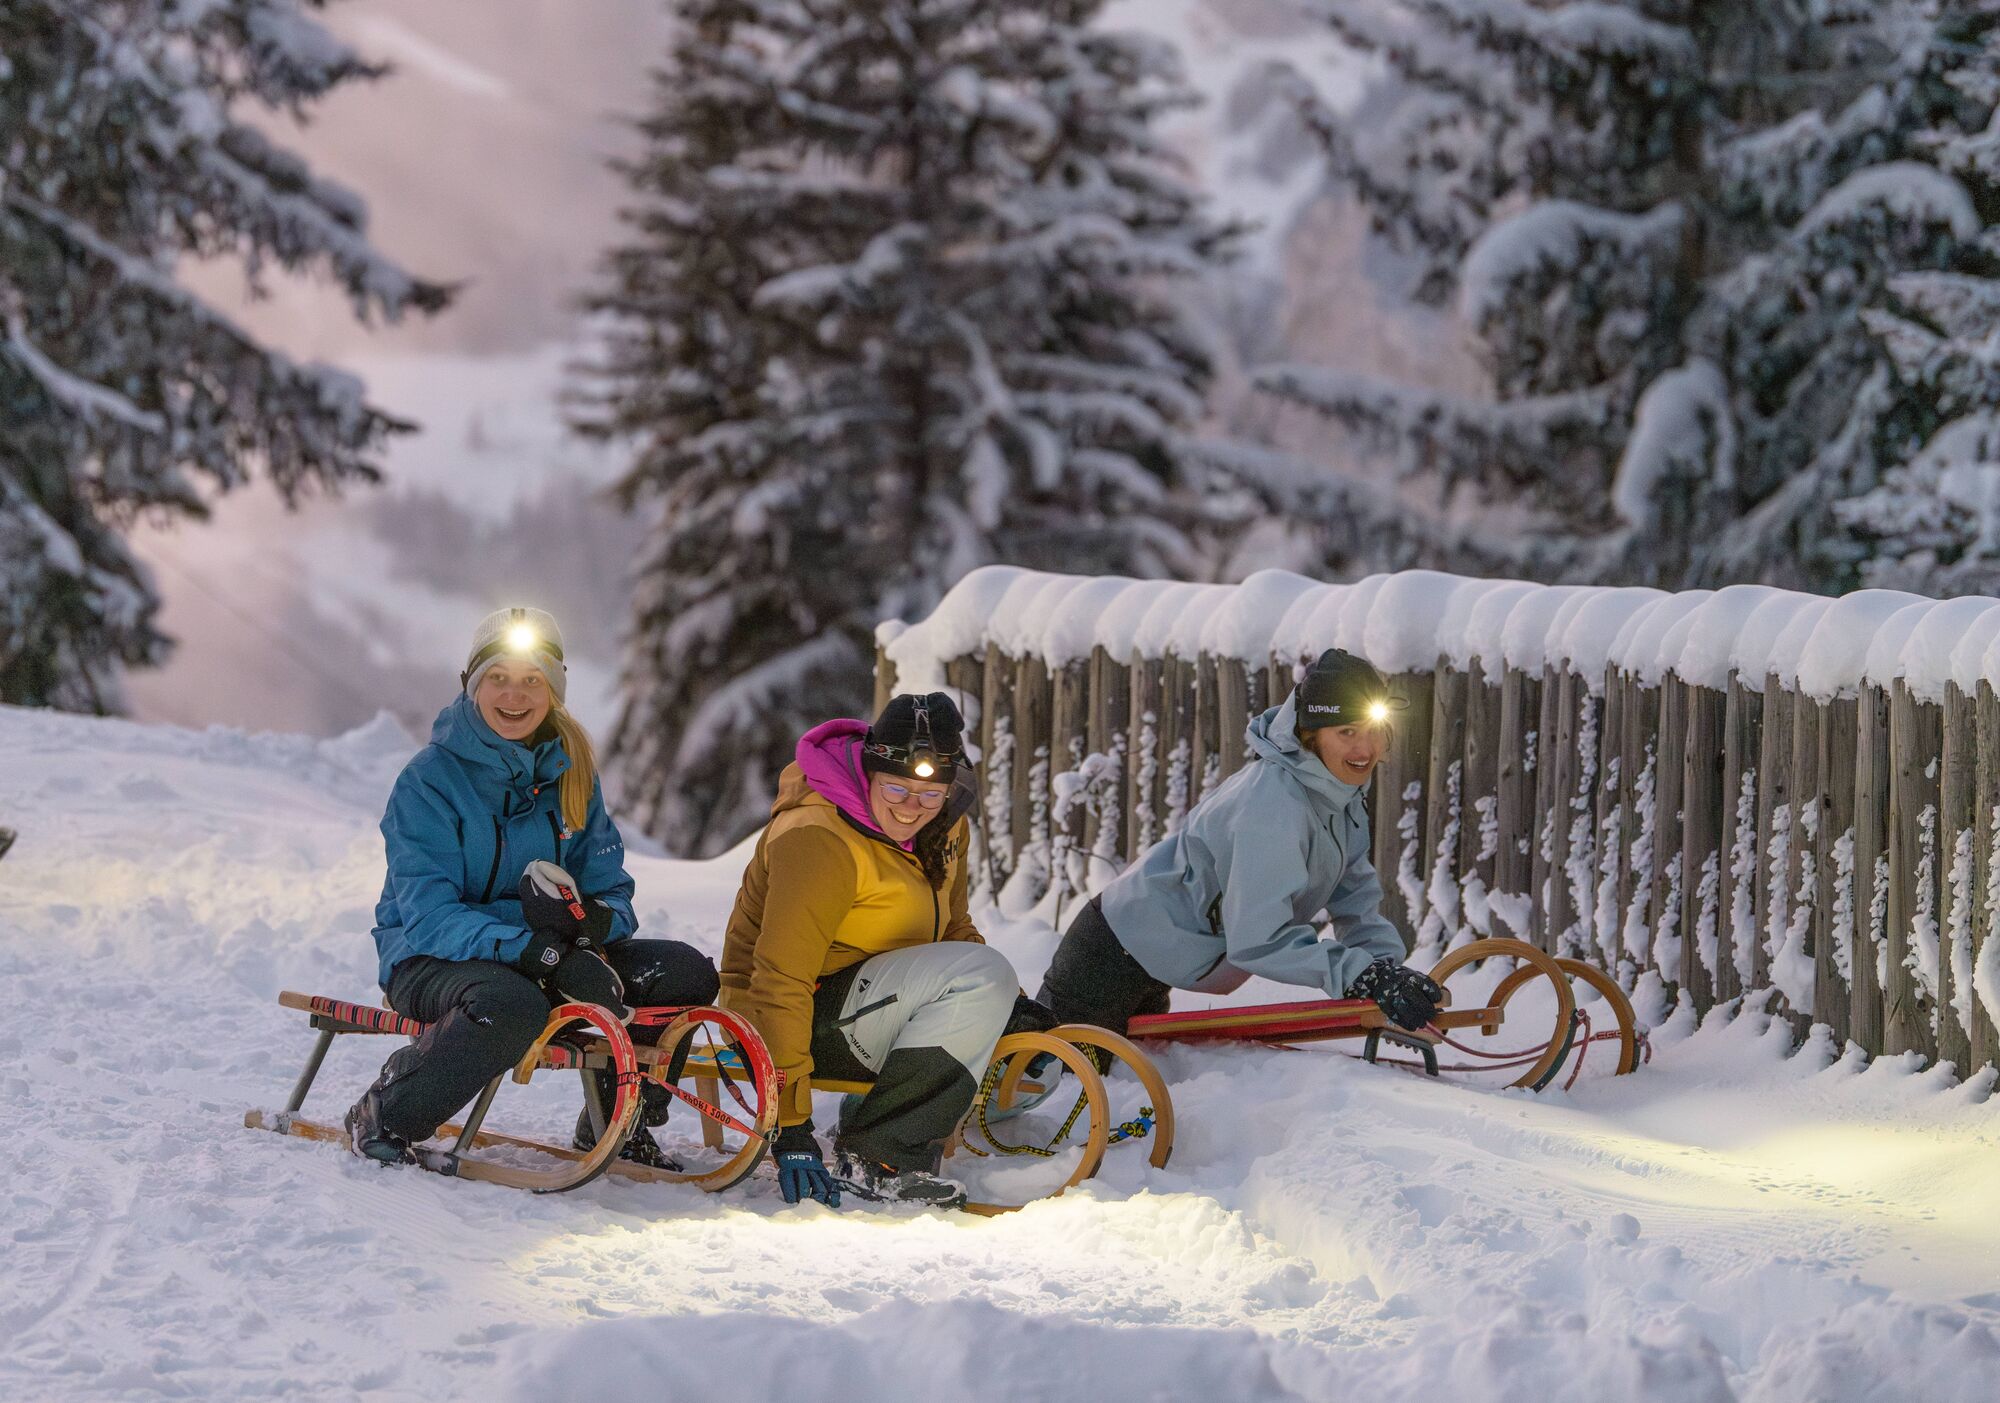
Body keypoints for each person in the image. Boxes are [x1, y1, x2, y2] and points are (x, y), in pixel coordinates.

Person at [345, 607, 719, 1168]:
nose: (514, 695)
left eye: (532, 680)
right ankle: (387, 1112)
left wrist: (594, 924)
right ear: (472, 686)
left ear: (553, 691)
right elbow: (429, 916)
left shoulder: (572, 775)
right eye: (497, 677)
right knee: (512, 1004)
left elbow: (612, 889)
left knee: (683, 972)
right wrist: (540, 953)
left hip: (547, 954)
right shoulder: (429, 781)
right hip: (432, 958)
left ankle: (618, 1122)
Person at [719, 692, 1040, 1209]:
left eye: (931, 794)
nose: (912, 807)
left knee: (1022, 1065)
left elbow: (953, 927)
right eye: (896, 788)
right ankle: (881, 1155)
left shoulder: (945, 825)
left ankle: (874, 1117)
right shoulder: (819, 837)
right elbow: (780, 980)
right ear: (868, 775)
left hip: (873, 1006)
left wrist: (1012, 1007)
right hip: (788, 1017)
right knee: (982, 978)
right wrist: (790, 1125)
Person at [1037, 648, 1443, 1035]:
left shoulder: (1338, 797)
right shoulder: (1273, 805)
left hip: (1154, 956)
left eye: (1374, 730)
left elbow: (1354, 900)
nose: (1365, 748)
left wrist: (1384, 973)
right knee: (1054, 1073)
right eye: (1347, 732)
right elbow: (1259, 940)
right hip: (1111, 957)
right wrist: (1360, 975)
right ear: (1310, 735)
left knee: (1120, 1075)